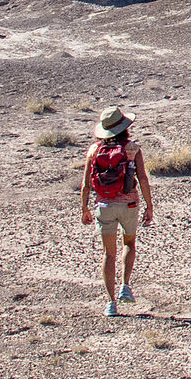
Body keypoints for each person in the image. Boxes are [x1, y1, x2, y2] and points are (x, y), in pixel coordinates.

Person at [80, 105, 153, 316]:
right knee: (129, 243)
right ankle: (125, 286)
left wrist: (84, 207)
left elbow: (86, 185)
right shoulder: (132, 148)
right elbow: (143, 178)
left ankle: (111, 303)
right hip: (129, 204)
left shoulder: (94, 151)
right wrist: (149, 205)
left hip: (104, 206)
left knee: (108, 254)